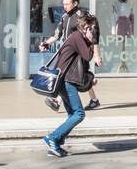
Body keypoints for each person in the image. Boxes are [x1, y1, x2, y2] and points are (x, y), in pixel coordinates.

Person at [42, 10, 99, 157]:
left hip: (66, 80)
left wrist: (89, 77)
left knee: (72, 114)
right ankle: (53, 138)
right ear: (85, 26)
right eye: (92, 28)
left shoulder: (79, 38)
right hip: (66, 81)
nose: (93, 31)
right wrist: (93, 42)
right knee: (79, 114)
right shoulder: (77, 36)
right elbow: (88, 56)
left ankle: (55, 147)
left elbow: (81, 63)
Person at [40, 0, 102, 112]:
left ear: (75, 3)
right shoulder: (64, 17)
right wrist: (46, 43)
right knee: (74, 75)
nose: (65, 6)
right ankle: (94, 100)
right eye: (63, 4)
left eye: (67, 4)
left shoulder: (82, 16)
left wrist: (97, 55)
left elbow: (94, 36)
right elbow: (57, 35)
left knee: (70, 75)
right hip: (68, 52)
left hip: (81, 52)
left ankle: (58, 101)